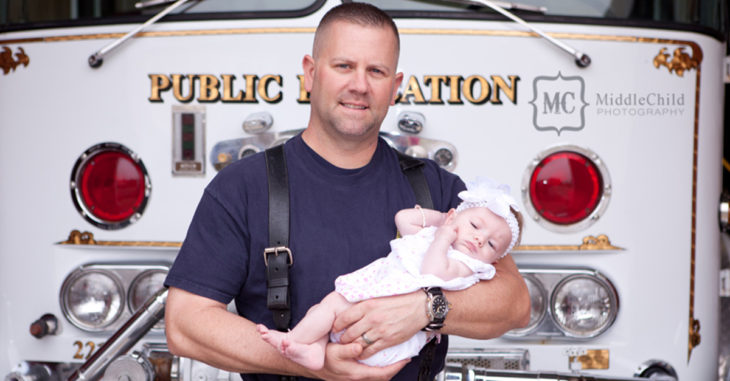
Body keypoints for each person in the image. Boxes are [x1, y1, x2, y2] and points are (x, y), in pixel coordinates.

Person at [164, 3, 530, 381]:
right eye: (344, 66)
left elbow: (515, 303)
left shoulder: (436, 186)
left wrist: (427, 308)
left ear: (395, 87)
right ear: (310, 73)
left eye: (376, 71)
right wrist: (311, 361)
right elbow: (185, 324)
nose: (359, 84)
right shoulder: (243, 187)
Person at [257, 178, 524, 371]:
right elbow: (403, 219)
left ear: (496, 258)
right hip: (372, 315)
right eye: (475, 225)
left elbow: (432, 273)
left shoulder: (466, 265)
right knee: (323, 308)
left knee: (333, 306)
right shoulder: (435, 233)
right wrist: (444, 219)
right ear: (455, 218)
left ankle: (292, 340)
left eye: (491, 244)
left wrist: (444, 237)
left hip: (388, 338)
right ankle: (314, 350)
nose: (479, 239)